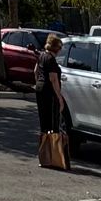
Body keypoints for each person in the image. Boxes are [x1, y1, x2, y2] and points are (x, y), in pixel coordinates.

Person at [35, 33, 69, 169]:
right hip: (50, 93)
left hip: (40, 89)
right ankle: (55, 157)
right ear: (57, 49)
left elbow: (36, 71)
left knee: (44, 124)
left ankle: (44, 156)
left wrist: (37, 84)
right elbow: (53, 79)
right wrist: (59, 97)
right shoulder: (51, 60)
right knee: (54, 125)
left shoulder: (41, 56)